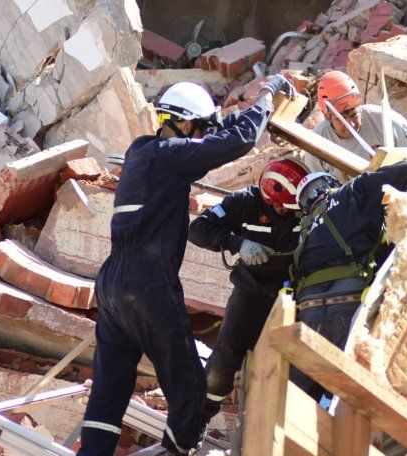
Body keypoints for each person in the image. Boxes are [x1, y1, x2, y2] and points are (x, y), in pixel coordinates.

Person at [78, 75, 296, 456]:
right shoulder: (168, 157)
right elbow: (236, 141)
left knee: (109, 391)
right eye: (198, 127)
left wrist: (227, 118)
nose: (199, 135)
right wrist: (266, 96)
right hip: (148, 286)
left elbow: (211, 139)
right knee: (190, 390)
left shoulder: (144, 153)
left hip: (112, 285)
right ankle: (176, 453)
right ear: (182, 122)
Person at [289, 160, 407, 401]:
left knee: (298, 400)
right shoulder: (352, 191)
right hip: (349, 302)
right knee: (352, 397)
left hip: (308, 312)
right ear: (332, 183)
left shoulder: (303, 229)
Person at [188, 158, 309, 426]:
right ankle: (195, 423)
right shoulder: (244, 203)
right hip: (252, 293)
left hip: (295, 297)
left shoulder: (306, 207)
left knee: (293, 368)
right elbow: (198, 229)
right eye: (280, 206)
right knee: (226, 359)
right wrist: (237, 243)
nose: (286, 212)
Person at [304, 70, 407, 179]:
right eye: (341, 119)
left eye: (354, 115)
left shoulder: (383, 119)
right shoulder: (317, 142)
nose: (351, 124)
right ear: (328, 116)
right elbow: (317, 186)